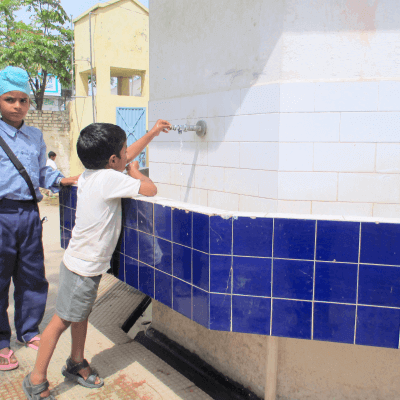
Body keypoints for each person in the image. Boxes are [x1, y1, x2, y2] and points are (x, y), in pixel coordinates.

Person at [23, 120, 170, 399]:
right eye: (124, 153)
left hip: (79, 264)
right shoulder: (111, 179)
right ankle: (36, 379)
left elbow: (122, 157)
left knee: (80, 315)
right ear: (114, 159)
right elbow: (150, 190)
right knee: (61, 321)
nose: (128, 156)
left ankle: (76, 361)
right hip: (83, 269)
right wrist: (136, 172)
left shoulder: (91, 173)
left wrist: (150, 134)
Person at [0, 66, 79, 372]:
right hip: (2, 213)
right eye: (9, 99)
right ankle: (1, 342)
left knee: (32, 275)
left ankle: (29, 331)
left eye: (23, 100)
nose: (17, 105)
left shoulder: (34, 135)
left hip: (29, 214)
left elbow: (43, 170)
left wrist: (62, 180)